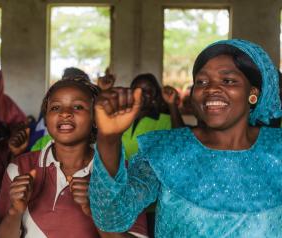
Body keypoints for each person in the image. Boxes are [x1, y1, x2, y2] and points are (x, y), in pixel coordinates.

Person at [89, 39, 282, 237]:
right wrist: (109, 139)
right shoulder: (165, 149)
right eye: (202, 82)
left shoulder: (278, 149)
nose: (211, 89)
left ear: (253, 93)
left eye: (228, 81)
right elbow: (112, 217)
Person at [0, 78, 148, 238]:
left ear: (96, 118)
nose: (65, 113)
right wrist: (15, 211)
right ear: (46, 119)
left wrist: (97, 209)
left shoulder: (122, 173)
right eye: (55, 107)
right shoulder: (21, 167)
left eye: (78, 106)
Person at [121, 73, 182, 159]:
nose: (141, 93)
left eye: (147, 90)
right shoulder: (122, 118)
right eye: (137, 89)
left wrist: (172, 104)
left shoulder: (165, 120)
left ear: (154, 95)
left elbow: (181, 140)